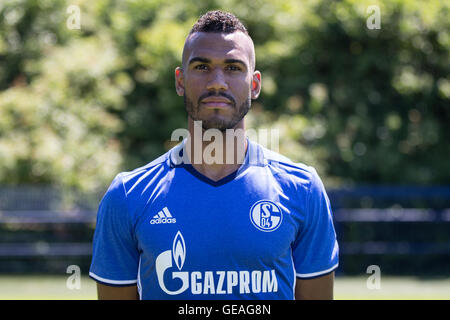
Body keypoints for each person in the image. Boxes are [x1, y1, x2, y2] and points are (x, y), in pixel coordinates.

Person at [89, 10, 339, 300]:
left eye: (233, 68)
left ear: (254, 85)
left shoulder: (303, 189)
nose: (217, 82)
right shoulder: (128, 196)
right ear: (180, 81)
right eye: (202, 67)